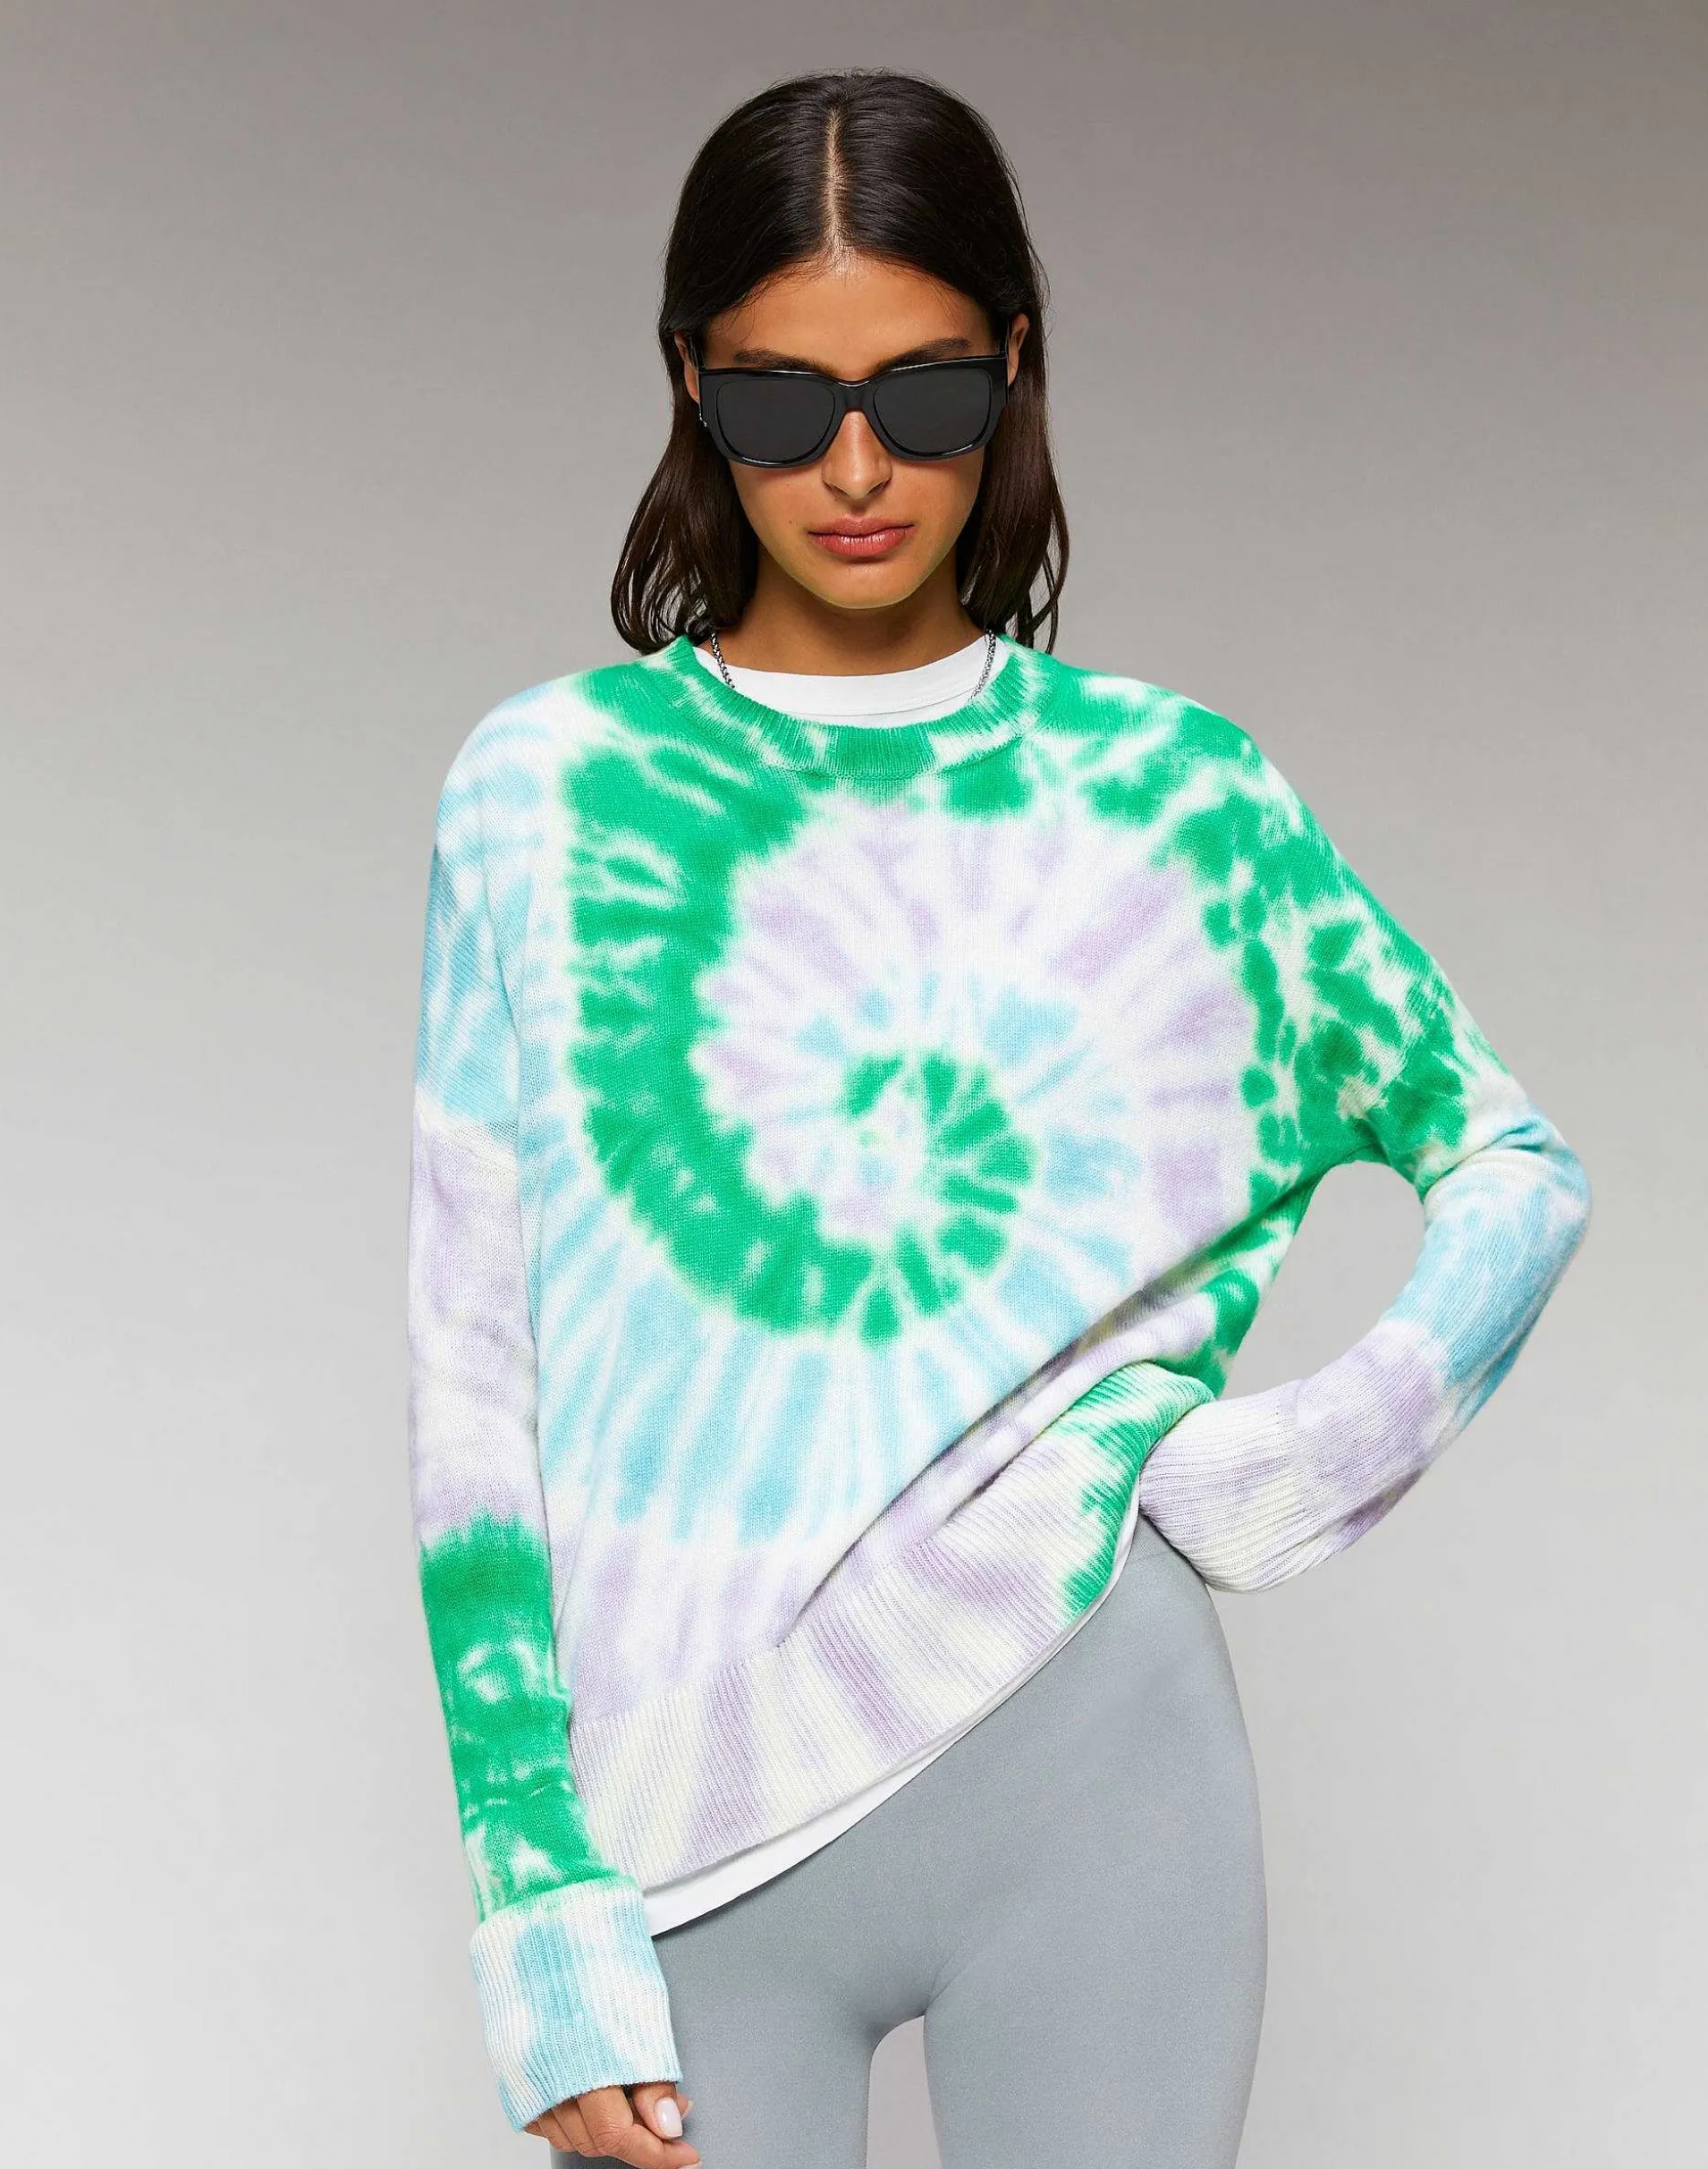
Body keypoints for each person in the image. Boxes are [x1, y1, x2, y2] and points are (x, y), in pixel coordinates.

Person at [405, 68, 1591, 2169]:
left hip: (1093, 1763)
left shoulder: (1176, 797)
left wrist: (1317, 1452)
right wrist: (531, 1897)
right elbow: (472, 1386)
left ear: (1014, 368)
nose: (856, 470)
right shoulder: (545, 792)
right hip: (685, 1818)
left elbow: (1509, 1160)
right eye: (779, 406)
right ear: (689, 385)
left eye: (927, 396)